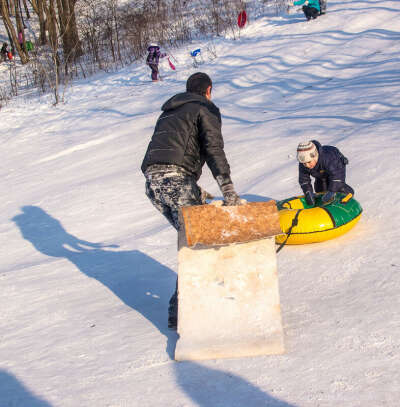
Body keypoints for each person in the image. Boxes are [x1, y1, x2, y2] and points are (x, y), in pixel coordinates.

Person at [141, 72, 243, 329]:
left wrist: (194, 190)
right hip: (175, 180)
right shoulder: (204, 108)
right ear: (208, 90)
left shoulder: (170, 111)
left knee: (192, 240)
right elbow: (213, 149)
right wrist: (227, 187)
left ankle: (179, 314)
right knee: (200, 241)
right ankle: (192, 311)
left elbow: (171, 153)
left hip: (153, 183)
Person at [297, 140, 354, 206]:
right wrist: (308, 192)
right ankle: (326, 206)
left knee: (337, 186)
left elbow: (337, 176)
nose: (307, 165)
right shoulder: (303, 163)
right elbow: (304, 180)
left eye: (309, 162)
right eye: (304, 163)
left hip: (337, 165)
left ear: (315, 156)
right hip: (321, 173)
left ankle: (347, 194)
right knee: (320, 189)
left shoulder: (328, 159)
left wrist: (332, 191)